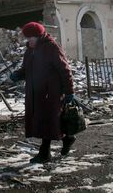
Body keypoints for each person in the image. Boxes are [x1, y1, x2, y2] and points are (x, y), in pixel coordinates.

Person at [10, 22, 76, 163]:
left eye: (30, 38)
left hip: (50, 92)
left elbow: (65, 70)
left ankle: (45, 153)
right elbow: (27, 69)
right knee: (44, 121)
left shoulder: (52, 48)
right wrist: (18, 74)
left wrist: (69, 91)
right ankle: (68, 138)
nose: (28, 41)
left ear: (39, 36)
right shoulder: (30, 50)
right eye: (27, 38)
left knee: (47, 121)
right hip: (35, 92)